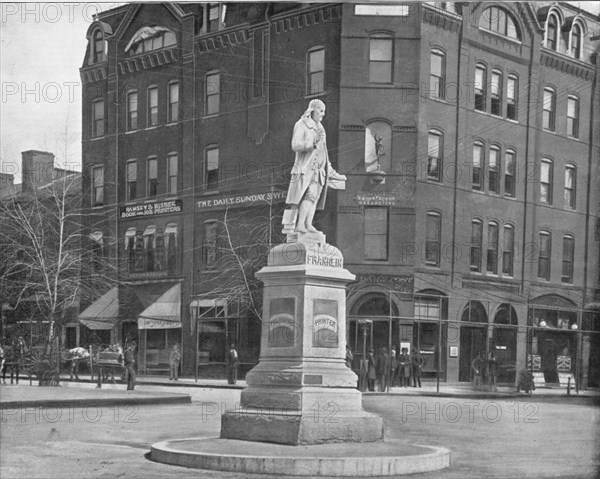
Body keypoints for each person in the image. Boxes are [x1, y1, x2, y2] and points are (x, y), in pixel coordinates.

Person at [284, 99, 346, 234]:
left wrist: (331, 171)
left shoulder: (321, 130)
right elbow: (295, 145)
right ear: (312, 110)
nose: (323, 114)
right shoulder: (302, 124)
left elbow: (323, 154)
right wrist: (311, 145)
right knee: (299, 198)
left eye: (324, 111)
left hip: (318, 171)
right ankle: (299, 225)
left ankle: (307, 224)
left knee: (313, 197)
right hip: (304, 169)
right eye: (321, 111)